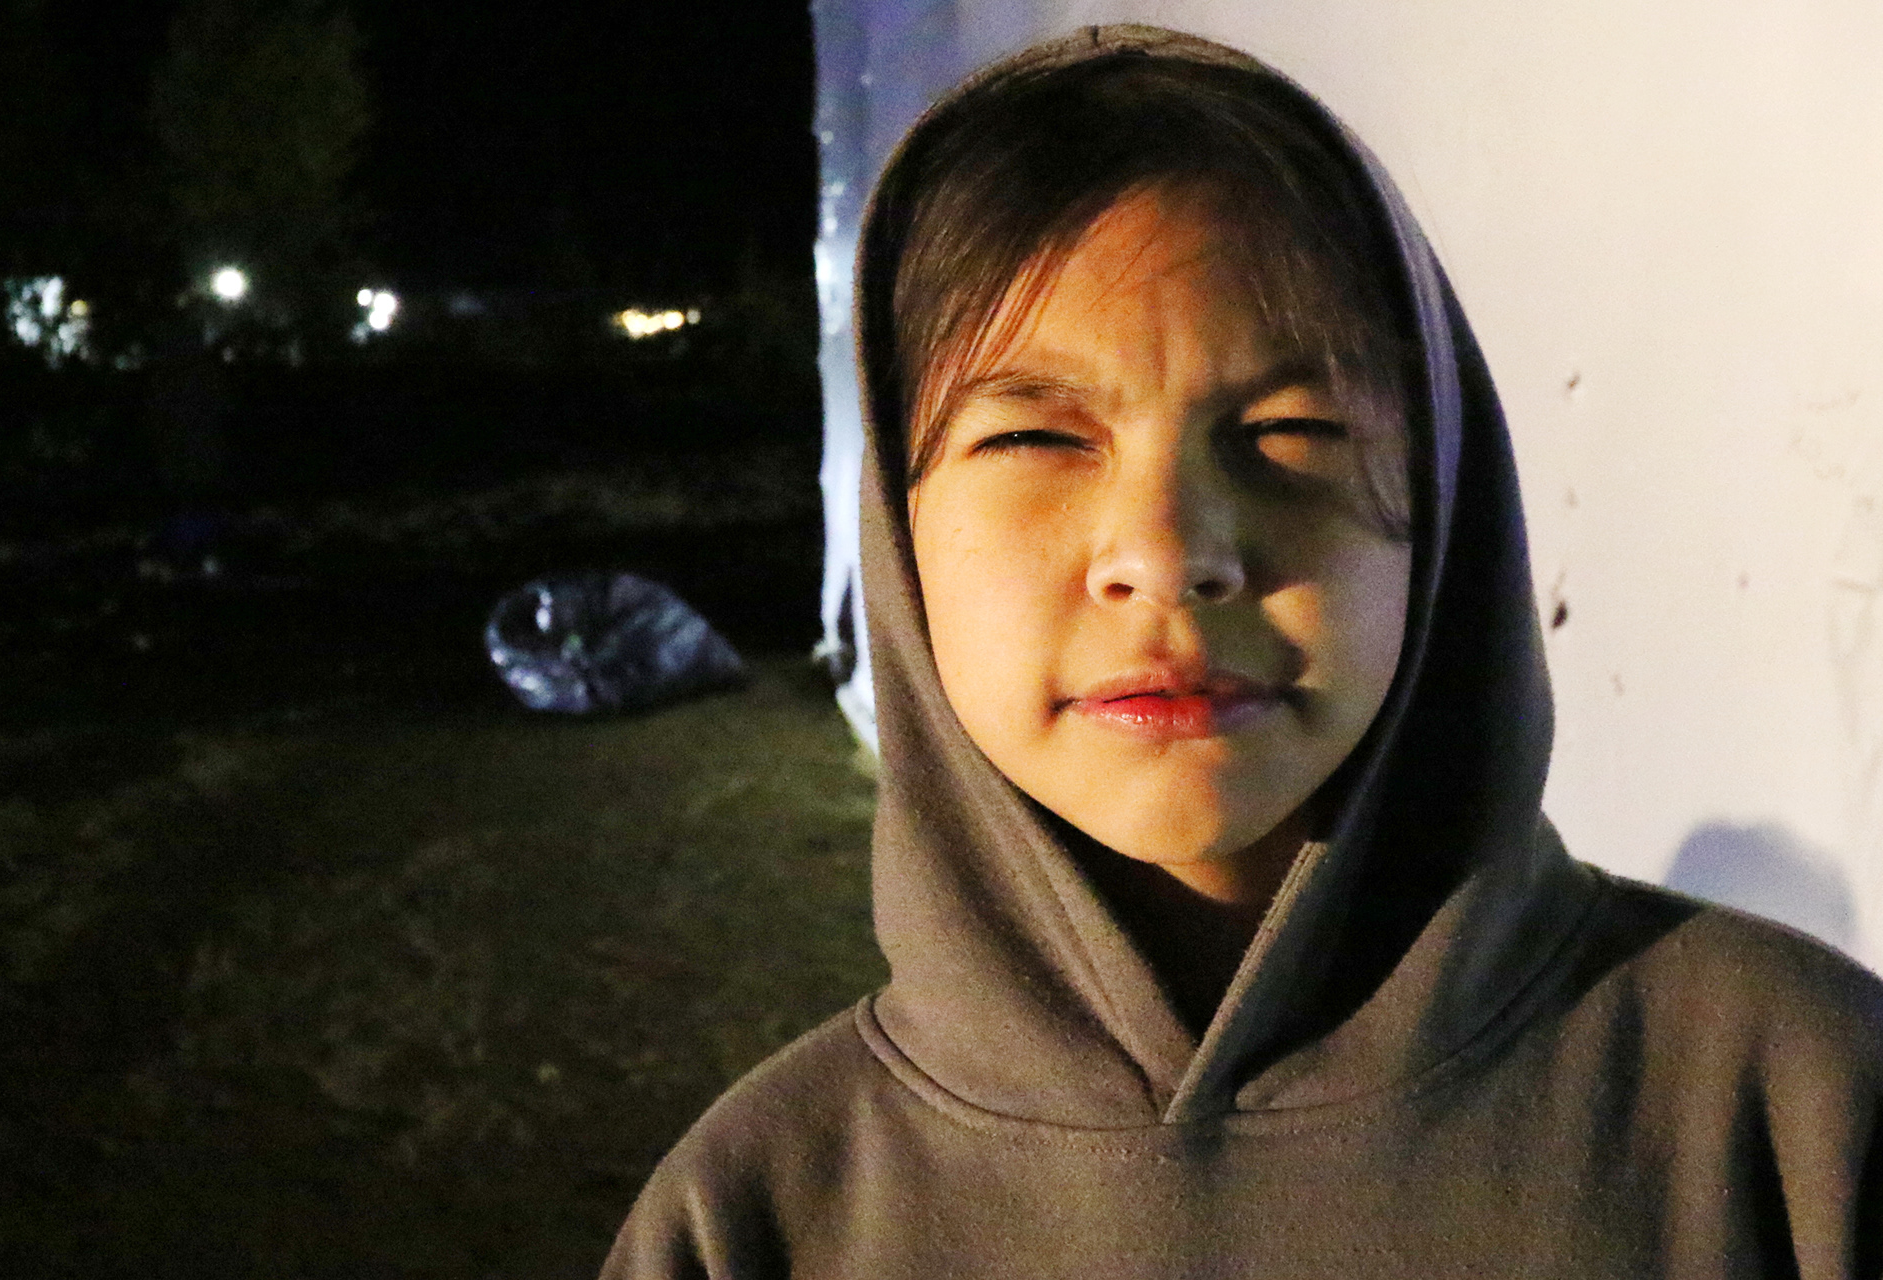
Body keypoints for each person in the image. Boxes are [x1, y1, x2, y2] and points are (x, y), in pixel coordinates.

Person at [604, 25, 1883, 1277]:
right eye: (1037, 438)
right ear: (899, 534)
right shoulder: (758, 1216)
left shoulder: (1793, 1105)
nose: (1166, 553)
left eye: (1290, 431)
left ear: (1447, 510)